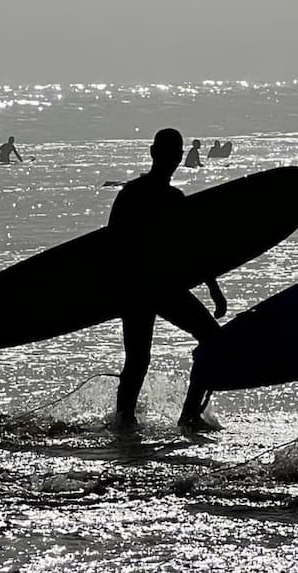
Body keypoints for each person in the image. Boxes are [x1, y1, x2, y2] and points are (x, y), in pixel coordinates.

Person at [109, 128, 227, 434]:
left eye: (176, 154)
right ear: (155, 154)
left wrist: (213, 288)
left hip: (146, 288)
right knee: (145, 358)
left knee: (139, 359)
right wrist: (213, 289)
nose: (173, 160)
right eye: (170, 154)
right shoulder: (143, 196)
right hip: (151, 287)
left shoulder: (140, 195)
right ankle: (172, 417)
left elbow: (194, 247)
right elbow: (113, 247)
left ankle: (128, 423)